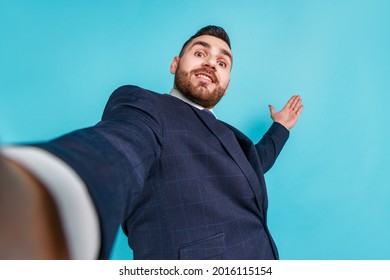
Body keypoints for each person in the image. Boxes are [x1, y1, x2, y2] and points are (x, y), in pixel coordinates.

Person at [0, 25, 303, 260]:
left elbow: (253, 167)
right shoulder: (146, 108)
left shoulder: (230, 135)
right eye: (200, 53)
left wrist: (280, 128)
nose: (211, 63)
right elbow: (122, 146)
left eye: (222, 63)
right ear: (175, 64)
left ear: (227, 82)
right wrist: (51, 187)